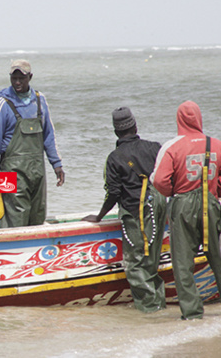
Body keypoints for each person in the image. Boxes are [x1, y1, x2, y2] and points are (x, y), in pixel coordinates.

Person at [82, 107, 166, 313]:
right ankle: (160, 307)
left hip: (136, 214)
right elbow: (166, 177)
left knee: (136, 265)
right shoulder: (155, 147)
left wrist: (99, 216)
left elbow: (113, 193)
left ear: (115, 132)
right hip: (159, 209)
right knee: (152, 262)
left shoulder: (114, 158)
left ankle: (151, 312)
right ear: (135, 126)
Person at [152, 101, 221, 320]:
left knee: (183, 263)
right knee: (217, 258)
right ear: (199, 118)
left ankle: (192, 313)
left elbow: (159, 180)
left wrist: (174, 191)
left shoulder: (172, 146)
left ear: (179, 120)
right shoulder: (216, 144)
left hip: (182, 204)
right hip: (210, 203)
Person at [0, 59, 65, 228]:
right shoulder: (1, 104)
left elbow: (48, 135)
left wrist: (56, 164)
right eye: (14, 78)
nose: (17, 82)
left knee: (37, 215)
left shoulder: (40, 100)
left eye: (22, 78)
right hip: (13, 174)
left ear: (30, 77)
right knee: (16, 219)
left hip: (37, 172)